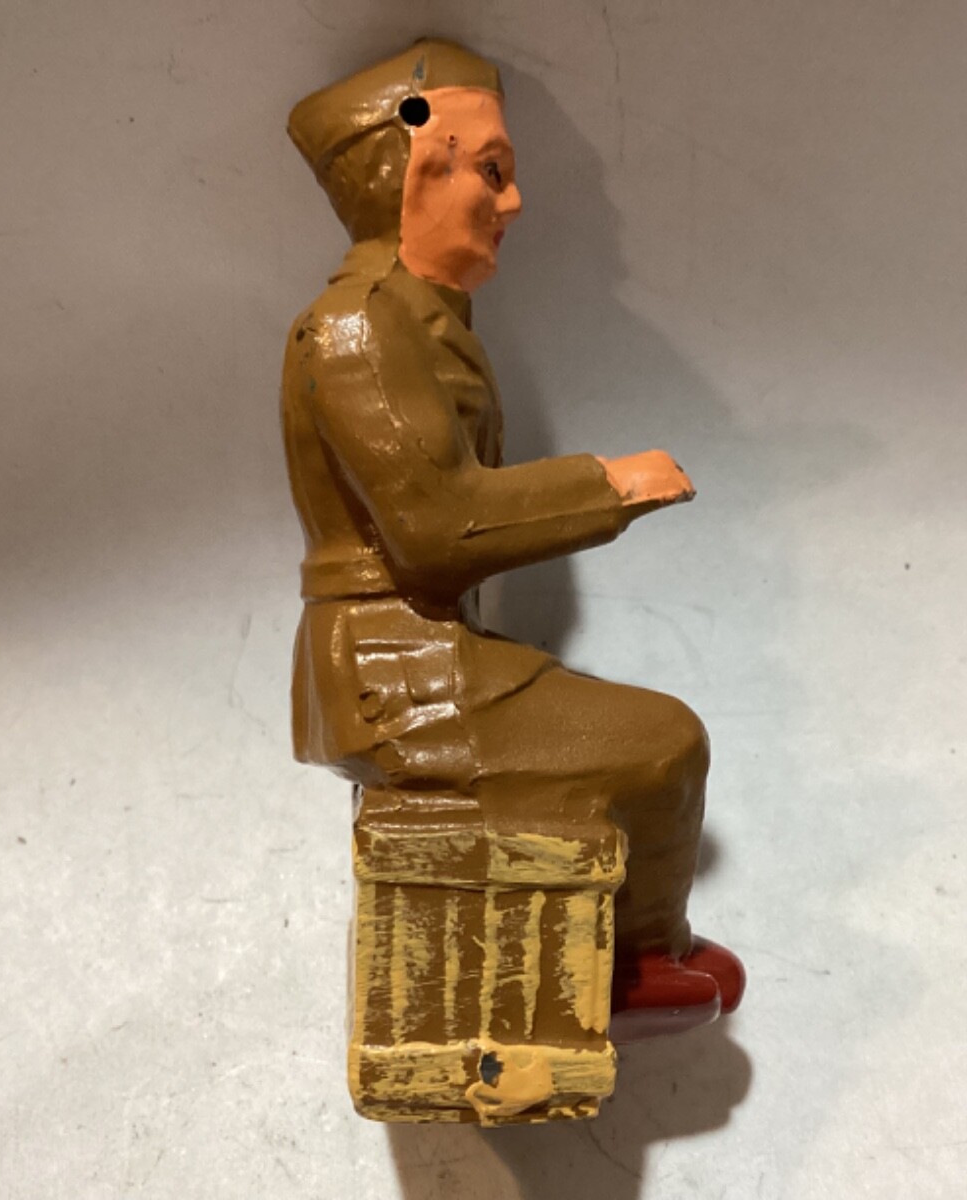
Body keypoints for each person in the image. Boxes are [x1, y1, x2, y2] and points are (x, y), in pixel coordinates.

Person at [282, 39, 743, 1040]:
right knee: (665, 744)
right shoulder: (359, 328)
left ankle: (626, 949)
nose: (514, 200)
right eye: (490, 170)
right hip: (392, 676)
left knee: (640, 738)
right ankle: (629, 970)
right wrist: (607, 485)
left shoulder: (422, 321)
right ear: (407, 170)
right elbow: (435, 527)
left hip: (425, 656)